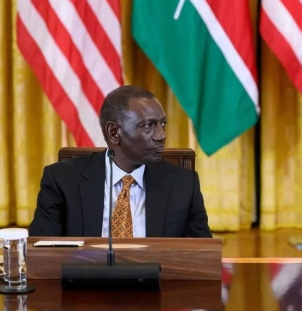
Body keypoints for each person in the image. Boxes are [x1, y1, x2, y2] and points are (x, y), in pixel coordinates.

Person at [29, 86, 212, 238]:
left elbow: (202, 259)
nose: (161, 135)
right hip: (85, 280)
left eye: (162, 124)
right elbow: (41, 252)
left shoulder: (184, 185)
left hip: (157, 281)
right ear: (114, 132)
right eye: (148, 125)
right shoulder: (62, 180)